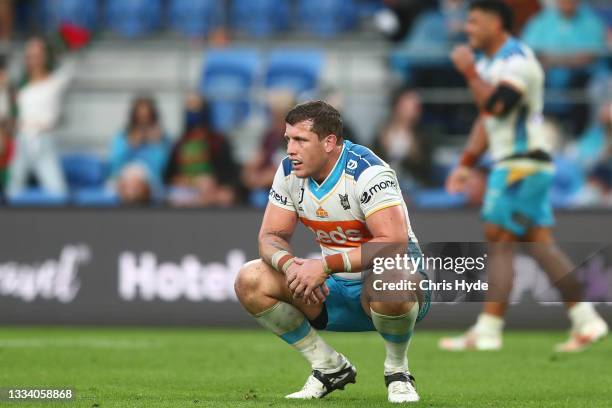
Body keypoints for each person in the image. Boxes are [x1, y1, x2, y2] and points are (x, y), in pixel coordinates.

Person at [234, 101, 430, 403]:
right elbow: (270, 236)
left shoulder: (368, 171)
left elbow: (393, 242)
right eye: (288, 139)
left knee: (389, 280)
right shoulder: (289, 171)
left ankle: (397, 370)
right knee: (250, 278)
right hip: (334, 289)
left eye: (300, 140)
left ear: (328, 143)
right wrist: (291, 267)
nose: (290, 149)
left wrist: (323, 266)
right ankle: (327, 366)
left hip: (396, 288)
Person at [441, 0, 608, 352]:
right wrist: (467, 162)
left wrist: (469, 72)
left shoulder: (517, 61)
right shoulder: (490, 63)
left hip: (520, 164)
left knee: (499, 239)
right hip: (520, 163)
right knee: (538, 243)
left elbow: (497, 106)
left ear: (496, 24)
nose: (467, 28)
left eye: (474, 22)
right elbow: (487, 119)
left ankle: (488, 330)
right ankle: (585, 320)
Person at [7, 37, 74, 197]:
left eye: (38, 55)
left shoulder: (56, 81)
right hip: (22, 139)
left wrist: (60, 44)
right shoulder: (19, 87)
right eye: (30, 55)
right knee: (12, 192)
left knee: (58, 193)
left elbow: (72, 66)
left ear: (45, 56)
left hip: (45, 139)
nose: (34, 60)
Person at [165, 92, 239, 207]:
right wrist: (189, 182)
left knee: (224, 196)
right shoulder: (180, 143)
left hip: (212, 187)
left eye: (197, 109)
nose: (194, 114)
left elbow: (229, 172)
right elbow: (169, 175)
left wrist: (214, 182)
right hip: (187, 190)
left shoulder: (217, 141)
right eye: (190, 109)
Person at [108, 96, 171, 205]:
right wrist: (129, 145)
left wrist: (156, 145)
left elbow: (161, 168)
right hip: (124, 176)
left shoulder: (162, 138)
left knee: (136, 187)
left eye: (147, 116)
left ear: (153, 116)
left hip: (149, 179)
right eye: (140, 116)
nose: (143, 120)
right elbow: (115, 165)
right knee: (130, 185)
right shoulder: (122, 136)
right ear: (134, 116)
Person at [372, 88, 435, 189]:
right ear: (397, 106)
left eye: (415, 106)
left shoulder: (423, 135)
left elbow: (426, 167)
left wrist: (415, 155)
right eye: (407, 105)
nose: (412, 109)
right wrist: (383, 148)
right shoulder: (383, 131)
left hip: (413, 183)